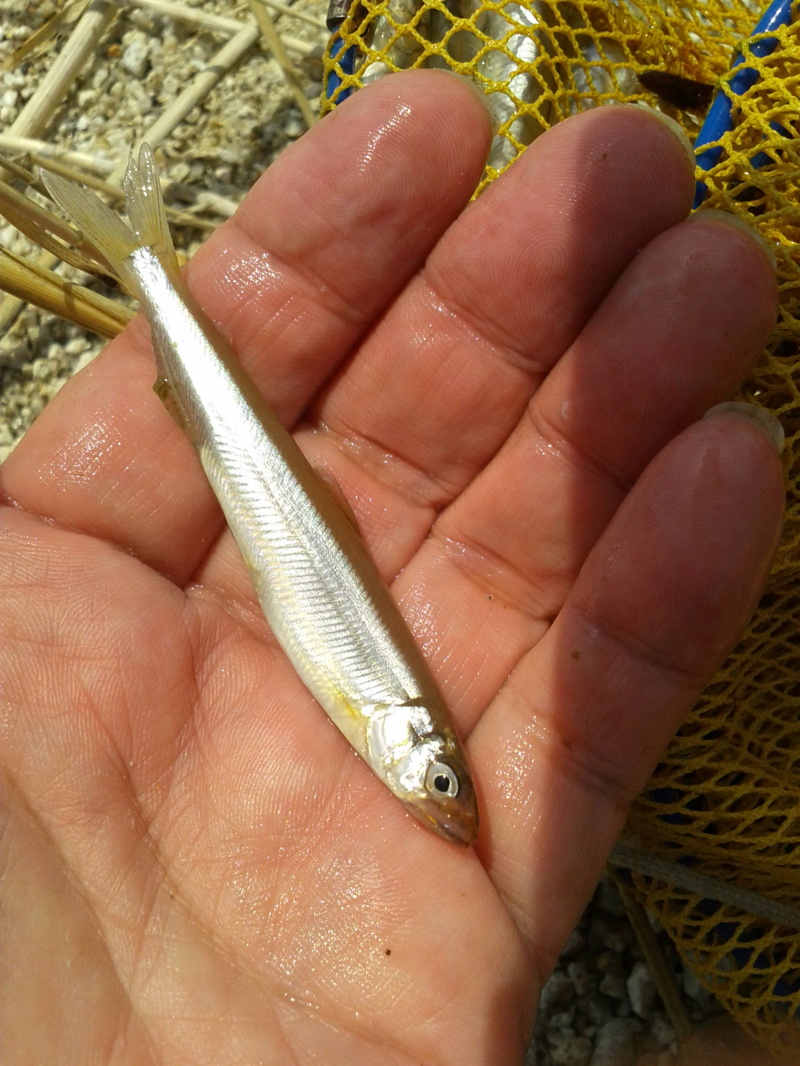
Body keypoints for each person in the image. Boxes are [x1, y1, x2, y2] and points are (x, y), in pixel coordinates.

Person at [0, 70, 784, 1064]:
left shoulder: (391, 730)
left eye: (443, 781)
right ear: (415, 738)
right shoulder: (395, 714)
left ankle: (144, 264)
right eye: (443, 776)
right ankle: (145, 263)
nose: (443, 801)